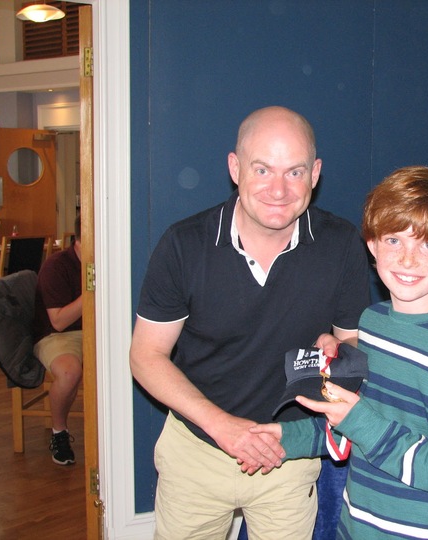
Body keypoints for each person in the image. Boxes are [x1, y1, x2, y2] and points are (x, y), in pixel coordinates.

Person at [129, 106, 371, 539]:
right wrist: (222, 426)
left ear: (315, 174)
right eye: (262, 169)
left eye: (295, 172)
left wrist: (339, 356)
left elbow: (352, 343)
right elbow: (146, 356)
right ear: (235, 167)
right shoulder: (184, 245)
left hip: (287, 453)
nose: (279, 189)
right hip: (196, 451)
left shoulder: (341, 245)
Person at [253, 165, 428, 539]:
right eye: (394, 240)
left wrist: (361, 421)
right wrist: (286, 438)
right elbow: (354, 425)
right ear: (372, 245)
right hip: (358, 525)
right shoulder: (371, 323)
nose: (408, 259)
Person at [33, 217, 83, 465]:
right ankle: (59, 432)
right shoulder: (56, 266)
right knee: (68, 372)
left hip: (96, 331)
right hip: (57, 335)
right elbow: (59, 321)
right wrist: (92, 290)